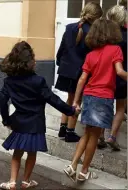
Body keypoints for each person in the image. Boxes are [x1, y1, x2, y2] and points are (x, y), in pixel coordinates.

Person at [0, 41, 80, 189]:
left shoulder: (9, 81)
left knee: (17, 153)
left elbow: (2, 101)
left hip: (19, 122)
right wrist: (71, 111)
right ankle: (26, 181)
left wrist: (6, 120)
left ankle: (11, 182)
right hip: (36, 123)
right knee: (31, 153)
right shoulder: (38, 81)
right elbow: (53, 99)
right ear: (30, 62)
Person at [64, 19, 127, 182]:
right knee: (94, 136)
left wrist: (76, 101)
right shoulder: (115, 50)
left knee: (87, 133)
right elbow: (119, 71)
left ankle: (72, 165)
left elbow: (82, 79)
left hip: (89, 96)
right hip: (104, 97)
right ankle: (84, 171)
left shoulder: (91, 54)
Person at [55, 2, 103, 142]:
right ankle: (70, 131)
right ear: (95, 17)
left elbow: (62, 48)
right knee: (76, 101)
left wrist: (59, 63)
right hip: (80, 72)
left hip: (66, 69)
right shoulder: (92, 33)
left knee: (69, 99)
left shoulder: (69, 27)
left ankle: (62, 127)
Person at [98, 5, 127, 151]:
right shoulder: (126, 35)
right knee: (120, 107)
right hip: (122, 75)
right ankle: (112, 137)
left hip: (106, 75)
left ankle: (101, 136)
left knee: (105, 106)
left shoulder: (105, 35)